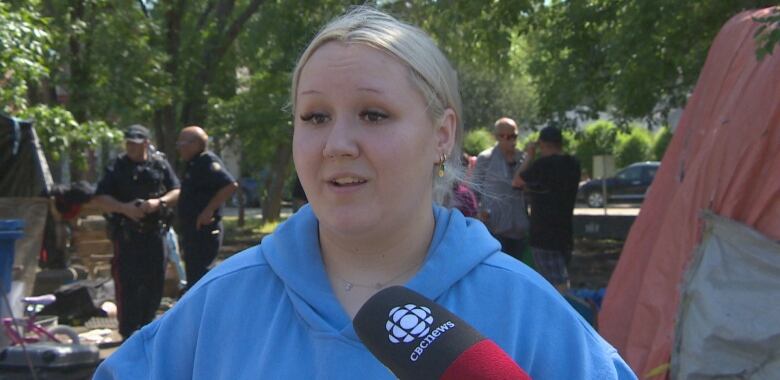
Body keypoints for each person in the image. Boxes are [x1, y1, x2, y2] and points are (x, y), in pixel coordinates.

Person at [95, 7, 635, 379]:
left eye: (373, 114)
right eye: (315, 116)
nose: (337, 143)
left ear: (442, 135)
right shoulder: (220, 304)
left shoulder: (525, 309)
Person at [92, 124, 180, 340]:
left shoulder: (159, 164)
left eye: (136, 143)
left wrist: (157, 203)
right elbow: (100, 198)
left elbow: (177, 191)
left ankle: (148, 329)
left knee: (155, 284)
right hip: (127, 235)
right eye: (129, 143)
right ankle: (128, 335)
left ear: (146, 143)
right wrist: (125, 208)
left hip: (154, 234)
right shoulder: (117, 167)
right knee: (128, 286)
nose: (131, 147)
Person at [512, 126, 581, 292]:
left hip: (543, 235)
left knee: (557, 284)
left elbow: (517, 181)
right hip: (565, 233)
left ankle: (565, 313)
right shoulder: (573, 164)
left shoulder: (542, 165)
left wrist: (529, 156)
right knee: (561, 276)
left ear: (542, 144)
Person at [175, 126, 237, 290]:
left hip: (205, 230)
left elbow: (230, 185)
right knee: (193, 275)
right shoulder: (192, 164)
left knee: (201, 275)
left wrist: (208, 210)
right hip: (192, 230)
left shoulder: (207, 161)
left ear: (196, 144)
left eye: (183, 142)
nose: (179, 147)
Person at [473, 117, 531, 262]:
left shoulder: (523, 158)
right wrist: (479, 212)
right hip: (495, 227)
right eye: (505, 136)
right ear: (497, 137)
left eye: (514, 136)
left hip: (519, 227)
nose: (510, 140)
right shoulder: (486, 158)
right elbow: (474, 189)